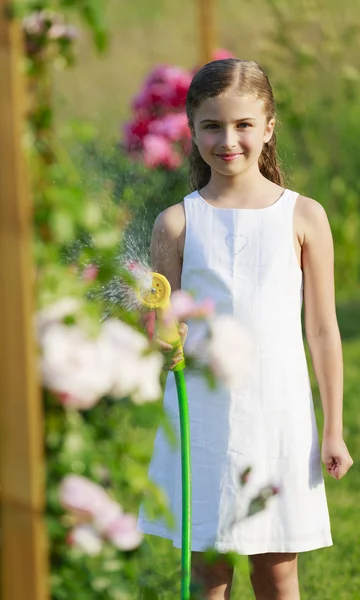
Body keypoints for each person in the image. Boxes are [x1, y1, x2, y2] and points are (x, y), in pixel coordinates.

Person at [137, 59, 353, 600]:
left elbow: (323, 330)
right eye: (211, 125)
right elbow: (163, 326)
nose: (227, 139)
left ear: (268, 127)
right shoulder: (177, 222)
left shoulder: (304, 216)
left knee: (277, 571)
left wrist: (333, 427)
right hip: (205, 420)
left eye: (242, 125)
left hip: (279, 414)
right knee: (209, 572)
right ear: (191, 128)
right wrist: (160, 338)